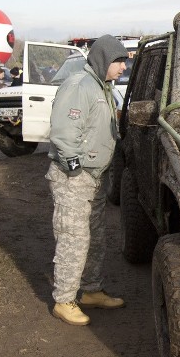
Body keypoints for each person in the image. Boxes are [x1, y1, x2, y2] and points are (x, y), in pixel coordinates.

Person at [46, 35, 129, 326]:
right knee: (74, 238)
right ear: (103, 59)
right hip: (76, 177)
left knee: (94, 237)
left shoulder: (101, 86)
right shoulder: (79, 85)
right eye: (118, 62)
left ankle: (91, 291)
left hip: (94, 176)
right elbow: (64, 131)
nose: (122, 68)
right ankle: (64, 300)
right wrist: (75, 169)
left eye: (123, 62)